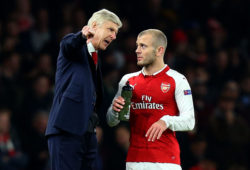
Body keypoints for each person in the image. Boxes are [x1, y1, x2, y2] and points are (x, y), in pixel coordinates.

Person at [107, 29, 195, 170]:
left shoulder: (178, 80)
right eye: (137, 45)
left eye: (143, 46)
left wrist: (166, 121)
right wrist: (114, 111)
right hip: (134, 161)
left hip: (166, 162)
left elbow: (190, 121)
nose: (137, 50)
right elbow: (111, 121)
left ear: (159, 50)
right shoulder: (127, 80)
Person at [45, 9, 122, 170]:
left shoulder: (95, 59)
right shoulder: (74, 48)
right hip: (66, 130)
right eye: (110, 29)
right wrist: (82, 36)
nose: (114, 36)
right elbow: (68, 45)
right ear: (94, 26)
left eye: (115, 32)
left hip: (88, 133)